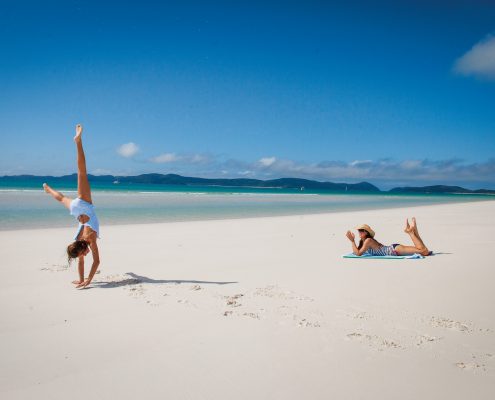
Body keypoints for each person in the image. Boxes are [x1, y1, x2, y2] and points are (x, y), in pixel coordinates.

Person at [43, 124, 100, 288]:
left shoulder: (89, 239)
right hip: (76, 210)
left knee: (82, 171)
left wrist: (88, 280)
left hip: (84, 205)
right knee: (61, 199)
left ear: (81, 249)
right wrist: (83, 280)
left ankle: (78, 141)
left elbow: (97, 261)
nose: (85, 255)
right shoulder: (78, 242)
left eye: (83, 254)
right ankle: (48, 189)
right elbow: (83, 261)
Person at [346, 218, 430, 257]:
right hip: (394, 249)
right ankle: (414, 232)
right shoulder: (364, 241)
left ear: (365, 232)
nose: (358, 232)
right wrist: (353, 241)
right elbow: (357, 251)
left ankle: (411, 233)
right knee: (423, 250)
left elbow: (358, 254)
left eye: (360, 231)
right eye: (358, 231)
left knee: (424, 251)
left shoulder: (368, 240)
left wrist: (352, 241)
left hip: (394, 250)